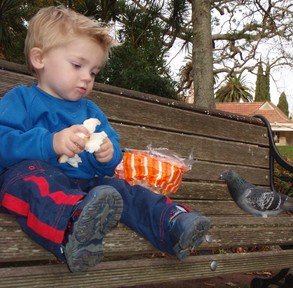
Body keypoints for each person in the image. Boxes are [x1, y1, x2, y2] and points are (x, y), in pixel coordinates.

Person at [0, 6, 210, 273]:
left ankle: (173, 224)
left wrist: (108, 155)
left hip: (87, 189)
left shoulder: (91, 112)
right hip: (37, 186)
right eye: (77, 65)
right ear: (40, 58)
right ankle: (75, 228)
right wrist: (49, 143)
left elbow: (111, 165)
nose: (87, 77)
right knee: (31, 178)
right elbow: (3, 143)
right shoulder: (22, 100)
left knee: (123, 191)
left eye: (94, 72)